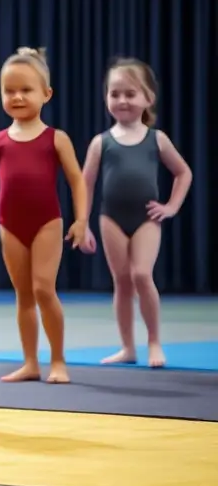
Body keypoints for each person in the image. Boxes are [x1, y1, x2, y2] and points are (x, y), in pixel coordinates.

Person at [0, 47, 86, 385]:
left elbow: (77, 181)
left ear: (46, 94)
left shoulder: (57, 139)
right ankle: (30, 362)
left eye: (26, 90)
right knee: (23, 294)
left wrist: (81, 219)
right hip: (10, 225)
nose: (17, 97)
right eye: (9, 91)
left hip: (47, 222)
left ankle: (58, 361)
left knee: (43, 290)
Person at [78, 58, 192, 368]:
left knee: (142, 274)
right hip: (110, 218)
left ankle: (154, 341)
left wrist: (171, 206)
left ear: (148, 98)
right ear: (106, 98)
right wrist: (82, 223)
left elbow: (183, 173)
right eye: (115, 94)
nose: (122, 100)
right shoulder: (101, 143)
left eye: (130, 93)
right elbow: (85, 185)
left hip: (146, 219)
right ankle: (128, 347)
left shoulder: (157, 139)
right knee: (122, 281)